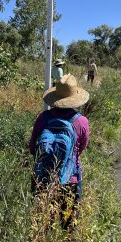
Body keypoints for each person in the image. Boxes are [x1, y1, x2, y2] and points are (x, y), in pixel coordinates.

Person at [29, 74, 90, 229]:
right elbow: (81, 148)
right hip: (71, 178)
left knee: (42, 221)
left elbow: (32, 147)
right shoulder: (82, 122)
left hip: (43, 177)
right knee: (69, 222)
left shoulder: (43, 118)